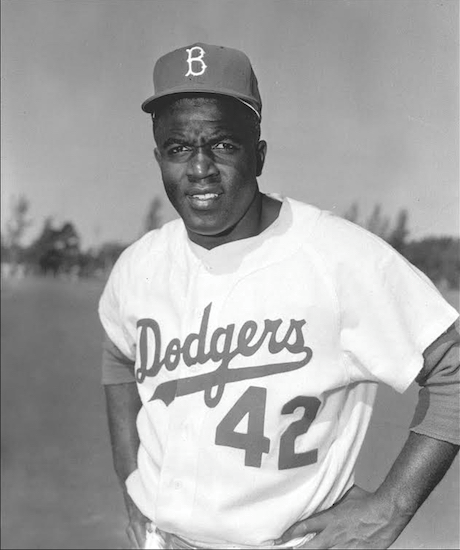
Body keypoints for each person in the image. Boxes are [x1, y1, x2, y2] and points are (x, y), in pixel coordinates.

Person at [98, 43, 459, 550]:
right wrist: (130, 487)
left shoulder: (336, 256)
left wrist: (392, 505)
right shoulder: (140, 265)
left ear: (259, 154)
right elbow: (118, 357)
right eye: (179, 148)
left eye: (223, 145)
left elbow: (455, 368)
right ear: (159, 157)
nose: (200, 169)